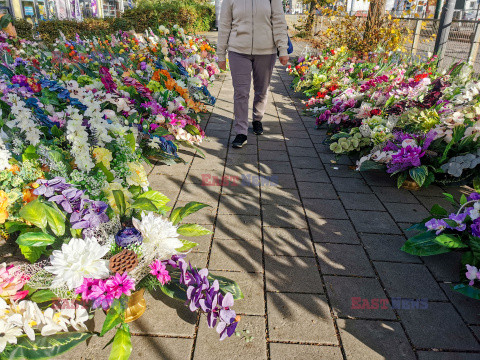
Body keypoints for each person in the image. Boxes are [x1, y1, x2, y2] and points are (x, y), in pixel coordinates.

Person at [217, 0, 289, 148]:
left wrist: (283, 49)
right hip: (238, 50)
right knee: (241, 92)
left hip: (266, 50)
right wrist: (221, 54)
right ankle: (241, 132)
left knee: (261, 89)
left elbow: (279, 21)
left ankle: (257, 119)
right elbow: (224, 25)